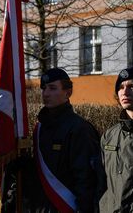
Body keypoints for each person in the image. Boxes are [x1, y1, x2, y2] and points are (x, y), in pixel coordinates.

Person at [29, 67, 102, 213]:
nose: (46, 93)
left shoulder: (79, 128)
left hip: (67, 207)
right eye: (44, 88)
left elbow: (86, 179)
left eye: (52, 88)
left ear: (67, 93)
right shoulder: (40, 127)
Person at [100, 67, 133, 212]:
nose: (125, 92)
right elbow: (100, 182)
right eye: (120, 87)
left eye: (131, 86)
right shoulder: (109, 135)